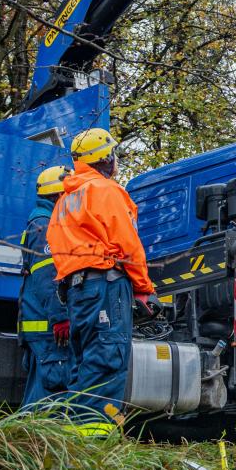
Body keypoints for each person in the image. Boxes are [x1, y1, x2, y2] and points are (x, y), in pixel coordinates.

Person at [46, 128, 159, 435]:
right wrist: (144, 289)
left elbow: (58, 250)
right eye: (113, 154)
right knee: (109, 358)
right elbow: (127, 245)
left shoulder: (65, 201)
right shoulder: (107, 191)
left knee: (84, 363)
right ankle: (94, 440)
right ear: (106, 158)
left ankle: (72, 435)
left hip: (77, 290)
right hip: (106, 285)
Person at [19, 165, 73, 407]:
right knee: (48, 395)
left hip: (42, 325)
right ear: (59, 195)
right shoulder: (45, 225)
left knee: (41, 392)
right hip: (48, 328)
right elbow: (47, 278)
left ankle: (23, 439)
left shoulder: (41, 222)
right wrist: (60, 316)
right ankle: (29, 441)